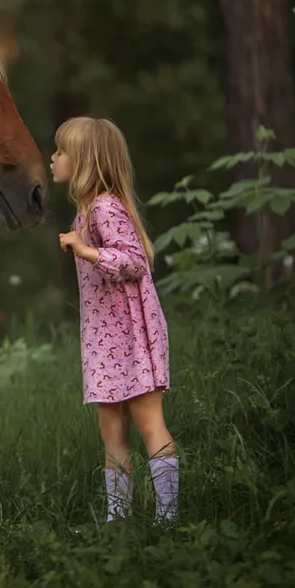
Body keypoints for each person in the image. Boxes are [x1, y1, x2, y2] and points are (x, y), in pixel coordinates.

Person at [50, 116, 178, 523]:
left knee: (147, 420)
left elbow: (135, 261)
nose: (52, 158)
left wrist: (87, 251)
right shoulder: (86, 212)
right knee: (110, 430)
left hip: (132, 337)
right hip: (104, 341)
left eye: (60, 151)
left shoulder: (104, 207)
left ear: (84, 161)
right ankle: (117, 521)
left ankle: (168, 519)